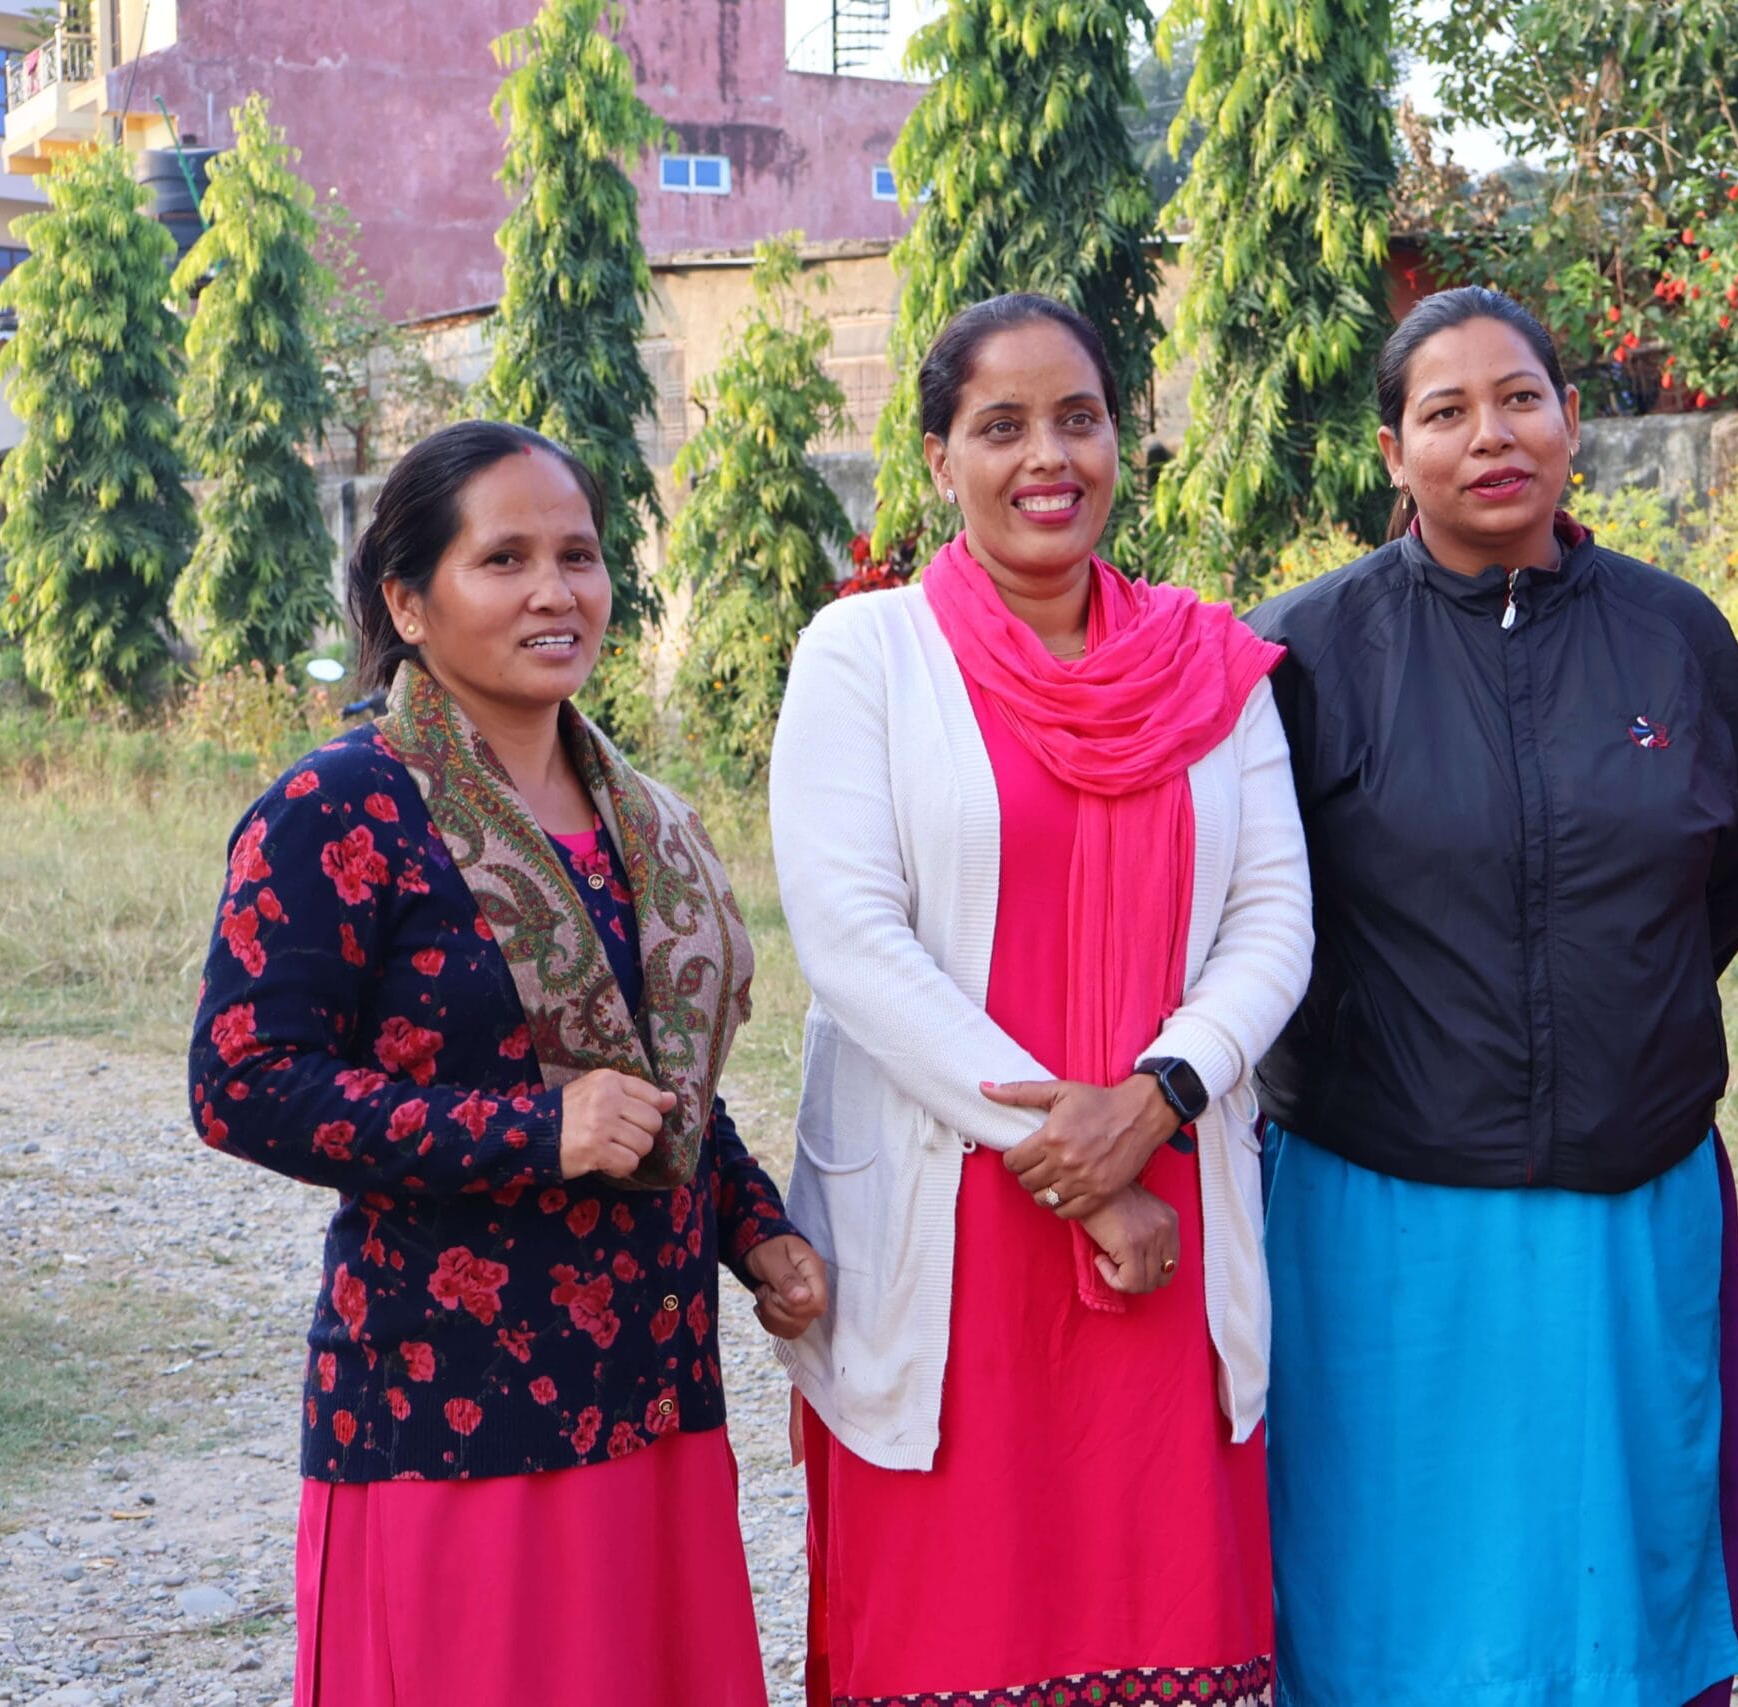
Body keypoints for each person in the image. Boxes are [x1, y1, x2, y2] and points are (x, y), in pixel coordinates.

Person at [188, 421, 829, 1707]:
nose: (557, 590)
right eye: (505, 559)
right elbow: (242, 1078)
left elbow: (659, 1085)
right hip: (451, 1406)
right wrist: (532, 1132)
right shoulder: (342, 807)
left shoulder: (641, 818)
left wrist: (756, 1231)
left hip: (652, 1390)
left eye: (580, 556)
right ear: (406, 602)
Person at [766, 294, 1310, 1706]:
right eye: (999, 426)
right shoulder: (865, 657)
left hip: (1173, 1205)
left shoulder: (1212, 664)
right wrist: (1076, 1156)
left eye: (1078, 416)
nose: (1046, 456)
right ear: (940, 456)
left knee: (1171, 1612)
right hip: (951, 1230)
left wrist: (1156, 1098)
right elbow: (852, 937)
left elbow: (1274, 920)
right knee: (950, 1620)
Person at [1245, 286, 1738, 1707]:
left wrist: (1605, 1031)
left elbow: (1725, 879)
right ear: (1390, 449)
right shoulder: (1299, 657)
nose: (1493, 434)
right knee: (1385, 1599)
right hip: (1379, 1206)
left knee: (1616, 1589)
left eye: (1522, 397)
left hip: (1628, 1197)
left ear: (1573, 422)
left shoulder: (1677, 640)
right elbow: (1245, 921)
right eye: (1447, 410)